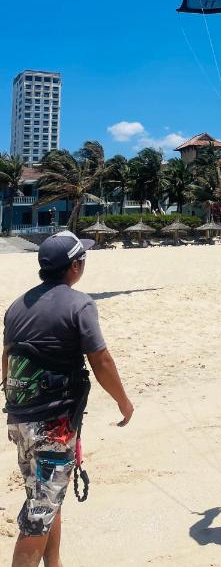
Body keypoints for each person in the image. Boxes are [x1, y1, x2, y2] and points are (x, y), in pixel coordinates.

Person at [3, 230, 134, 567]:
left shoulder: (17, 306)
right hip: (53, 424)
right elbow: (101, 360)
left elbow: (6, 359)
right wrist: (123, 402)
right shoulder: (80, 304)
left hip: (20, 418)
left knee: (47, 498)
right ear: (74, 266)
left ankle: (54, 564)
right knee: (39, 513)